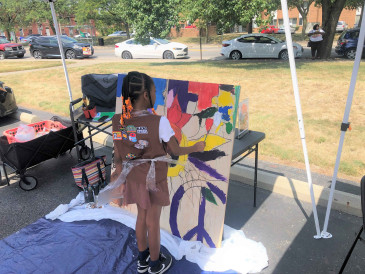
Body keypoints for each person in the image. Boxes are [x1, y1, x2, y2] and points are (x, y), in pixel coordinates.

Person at [109, 71, 205, 274]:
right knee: (153, 221)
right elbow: (175, 150)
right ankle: (155, 264)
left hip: (133, 176)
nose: (156, 95)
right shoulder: (159, 122)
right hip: (154, 179)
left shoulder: (118, 120)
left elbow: (118, 153)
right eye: (155, 91)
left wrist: (119, 176)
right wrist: (196, 147)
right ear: (145, 95)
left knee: (141, 217)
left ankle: (142, 259)